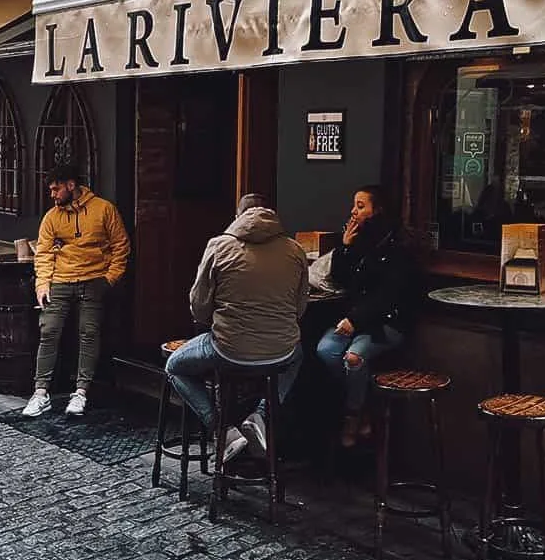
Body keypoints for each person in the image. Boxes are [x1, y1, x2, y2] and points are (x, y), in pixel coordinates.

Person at [164, 193, 309, 463]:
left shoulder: (218, 246)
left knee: (174, 367)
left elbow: (199, 307)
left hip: (229, 349)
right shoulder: (295, 250)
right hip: (281, 350)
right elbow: (300, 308)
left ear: (237, 218)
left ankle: (221, 429)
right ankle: (260, 416)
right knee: (297, 354)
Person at [22, 164, 130, 417]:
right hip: (60, 279)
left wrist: (110, 279)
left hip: (94, 279)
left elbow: (120, 246)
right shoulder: (52, 217)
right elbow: (44, 254)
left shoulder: (104, 209)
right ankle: (40, 393)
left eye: (56, 189)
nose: (53, 195)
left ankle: (81, 392)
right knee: (48, 330)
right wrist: (42, 284)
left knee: (89, 332)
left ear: (71, 185)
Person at [317, 185, 417, 448]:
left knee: (353, 357)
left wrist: (356, 320)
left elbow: (389, 295)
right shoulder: (360, 240)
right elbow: (338, 278)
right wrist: (345, 247)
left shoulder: (398, 246)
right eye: (354, 205)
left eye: (361, 206)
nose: (353, 211)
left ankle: (353, 414)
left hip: (386, 322)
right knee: (326, 350)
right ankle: (361, 399)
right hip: (355, 320)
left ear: (378, 210)